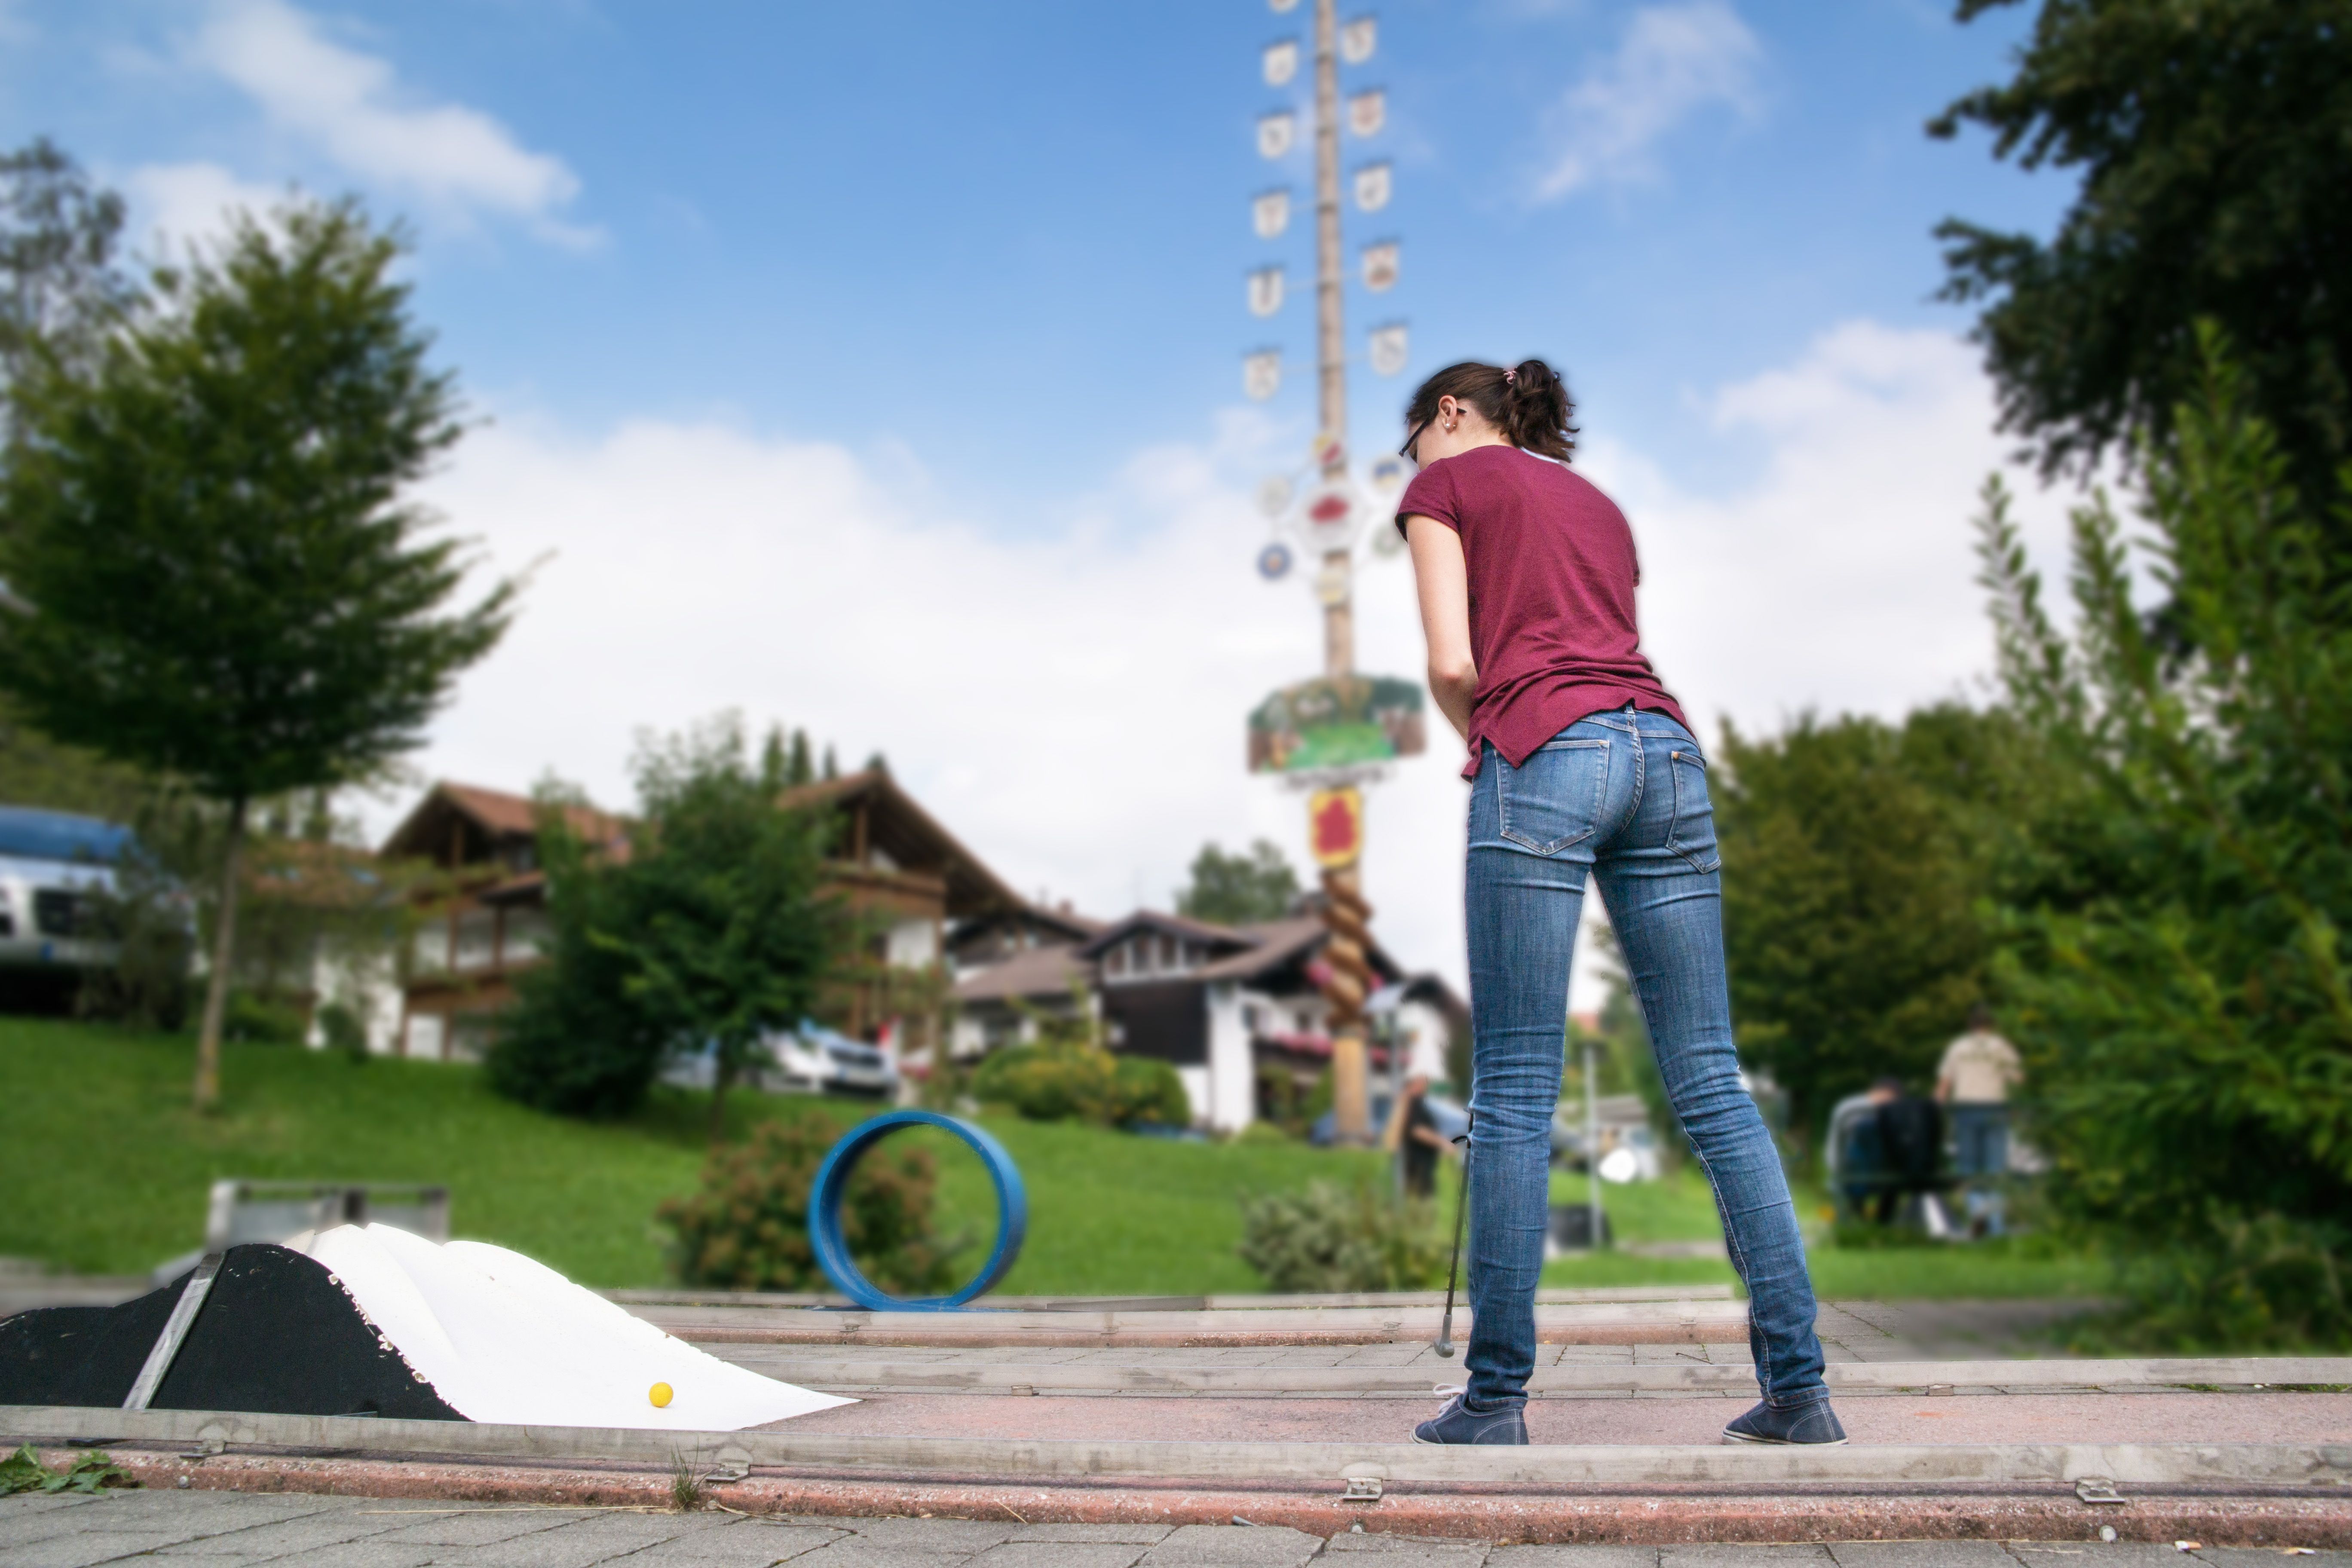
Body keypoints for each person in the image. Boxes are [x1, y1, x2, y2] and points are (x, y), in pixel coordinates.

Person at [1395, 359, 1844, 1448]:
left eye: (1412, 437)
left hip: (1542, 748)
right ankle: (1798, 1391)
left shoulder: (1440, 491)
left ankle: (1494, 1400)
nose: (1408, 461)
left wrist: (1491, 742)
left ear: (1448, 415)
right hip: (1666, 750)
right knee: (1708, 1077)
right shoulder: (1596, 504)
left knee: (1511, 1083)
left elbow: (1454, 662)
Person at [1936, 1004, 2021, 1179]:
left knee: (1967, 1162)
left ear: (1970, 1025)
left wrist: (1935, 1109)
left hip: (1965, 1108)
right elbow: (2018, 1079)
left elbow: (1944, 1083)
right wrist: (2016, 1105)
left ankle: (1972, 1204)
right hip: (1995, 1107)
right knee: (1995, 1162)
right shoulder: (2002, 1046)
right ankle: (1995, 1206)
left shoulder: (1958, 1046)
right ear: (1992, 1024)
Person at [1396, 1071, 1451, 1199]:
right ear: (1414, 1084)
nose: (1426, 1085)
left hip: (1421, 1167)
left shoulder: (1416, 1103)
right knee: (1419, 1205)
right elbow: (1417, 1131)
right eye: (1423, 1082)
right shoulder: (1413, 1103)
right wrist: (1443, 1143)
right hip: (1418, 1167)